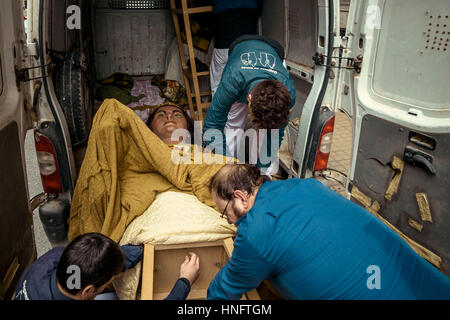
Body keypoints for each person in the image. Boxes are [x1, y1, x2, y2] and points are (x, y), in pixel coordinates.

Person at [206, 164, 450, 300]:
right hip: (417, 280)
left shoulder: (255, 234)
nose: (227, 219)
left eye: (224, 211)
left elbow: (222, 293)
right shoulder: (304, 184)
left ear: (240, 197)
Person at [203, 36, 296, 176]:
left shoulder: (288, 93)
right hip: (239, 46)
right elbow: (212, 125)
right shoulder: (232, 80)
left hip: (275, 50)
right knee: (232, 123)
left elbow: (276, 135)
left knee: (267, 136)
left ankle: (260, 172)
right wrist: (228, 167)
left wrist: (261, 172)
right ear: (249, 99)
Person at [14, 232, 200, 300]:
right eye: (108, 279)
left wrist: (141, 250)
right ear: (87, 291)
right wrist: (185, 281)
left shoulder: (53, 258)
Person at [210, 0, 262, 96]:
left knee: (218, 83)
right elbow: (259, 9)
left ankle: (219, 109)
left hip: (224, 39)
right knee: (246, 85)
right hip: (247, 37)